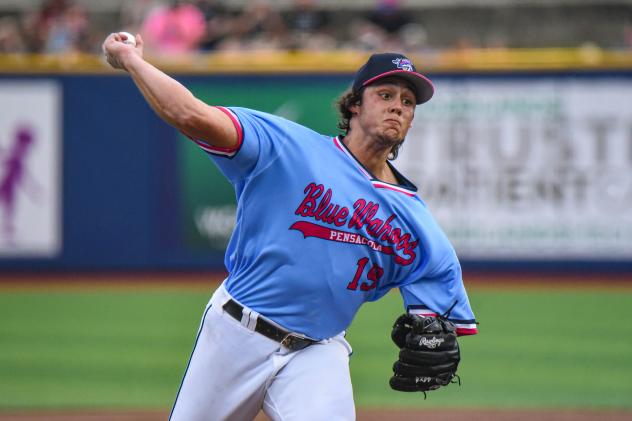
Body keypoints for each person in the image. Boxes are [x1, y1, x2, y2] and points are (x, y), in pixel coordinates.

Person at [102, 31, 478, 421]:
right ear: (354, 105)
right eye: (385, 95)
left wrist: (434, 332)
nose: (398, 107)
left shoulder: (417, 225)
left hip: (317, 352)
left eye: (408, 102)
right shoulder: (284, 146)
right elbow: (190, 114)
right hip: (234, 335)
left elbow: (438, 316)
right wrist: (131, 59)